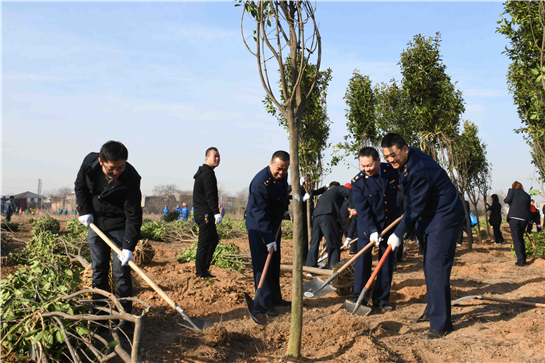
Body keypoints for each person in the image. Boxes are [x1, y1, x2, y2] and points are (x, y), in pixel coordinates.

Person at [381, 133, 465, 339]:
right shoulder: (409, 161)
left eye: (394, 155)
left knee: (436, 267)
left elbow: (414, 207)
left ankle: (441, 323)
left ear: (405, 149)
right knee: (429, 266)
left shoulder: (418, 170)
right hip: (430, 218)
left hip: (444, 217)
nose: (391, 160)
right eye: (386, 157)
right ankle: (432, 309)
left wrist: (398, 234)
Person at [75, 140, 142, 314]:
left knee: (121, 273)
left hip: (119, 224)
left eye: (120, 168)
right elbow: (80, 186)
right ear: (101, 162)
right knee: (99, 269)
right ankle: (100, 314)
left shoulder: (131, 179)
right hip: (95, 222)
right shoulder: (89, 164)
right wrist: (84, 210)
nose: (116, 172)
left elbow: (134, 214)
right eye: (111, 168)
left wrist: (128, 246)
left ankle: (123, 316)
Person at [351, 147, 399, 312]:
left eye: (369, 166)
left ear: (378, 161)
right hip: (367, 227)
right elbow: (363, 210)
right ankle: (359, 298)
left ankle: (382, 299)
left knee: (386, 262)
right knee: (363, 263)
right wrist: (372, 230)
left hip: (389, 226)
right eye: (363, 166)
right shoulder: (358, 182)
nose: (366, 169)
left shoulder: (390, 171)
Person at [246, 151, 291, 317]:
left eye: (285, 169)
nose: (282, 172)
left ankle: (275, 298)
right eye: (279, 168)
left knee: (273, 262)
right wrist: (268, 238)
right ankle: (264, 303)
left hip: (273, 224)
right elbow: (259, 214)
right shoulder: (260, 183)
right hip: (259, 228)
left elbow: (281, 195)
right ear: (271, 163)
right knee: (262, 263)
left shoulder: (281, 176)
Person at [305, 181, 354, 270]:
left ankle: (310, 268)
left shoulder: (325, 194)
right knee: (334, 243)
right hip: (327, 216)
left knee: (314, 243)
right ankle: (333, 268)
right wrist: (353, 207)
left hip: (316, 217)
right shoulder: (338, 188)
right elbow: (349, 192)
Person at [193, 147, 223, 278]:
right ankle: (201, 272)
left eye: (218, 156)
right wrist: (216, 212)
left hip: (202, 212)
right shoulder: (207, 173)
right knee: (205, 242)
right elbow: (210, 195)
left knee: (213, 240)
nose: (217, 159)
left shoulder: (204, 172)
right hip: (205, 213)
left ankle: (203, 269)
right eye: (214, 156)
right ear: (207, 158)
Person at [299, 178, 328, 263]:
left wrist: (324, 188)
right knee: (304, 239)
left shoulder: (309, 191)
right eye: (309, 183)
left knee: (310, 237)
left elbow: (316, 192)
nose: (311, 184)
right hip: (303, 217)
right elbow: (294, 197)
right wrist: (303, 199)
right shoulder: (301, 190)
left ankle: (308, 257)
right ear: (305, 183)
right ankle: (304, 259)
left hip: (310, 216)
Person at [503, 182, 531, 266]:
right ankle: (524, 258)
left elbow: (507, 200)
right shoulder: (526, 195)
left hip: (514, 218)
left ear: (513, 187)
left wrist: (505, 198)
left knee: (516, 239)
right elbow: (528, 207)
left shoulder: (512, 191)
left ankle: (521, 261)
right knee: (520, 238)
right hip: (524, 219)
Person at [340, 183, 358, 256]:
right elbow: (353, 224)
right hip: (345, 220)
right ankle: (352, 251)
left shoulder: (352, 199)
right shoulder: (350, 202)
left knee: (352, 232)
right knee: (354, 232)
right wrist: (349, 237)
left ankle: (351, 247)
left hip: (346, 219)